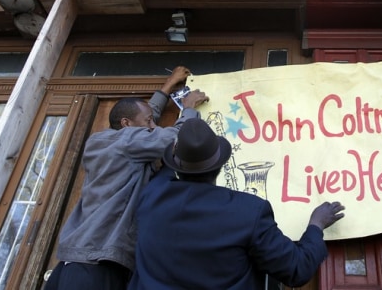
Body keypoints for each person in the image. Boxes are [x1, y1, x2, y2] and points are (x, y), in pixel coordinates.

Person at [128, 117, 346, 289]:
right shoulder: (248, 212)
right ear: (221, 165)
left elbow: (168, 170)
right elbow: (296, 268)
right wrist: (316, 226)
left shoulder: (151, 196)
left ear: (176, 163)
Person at [44, 66, 209, 290]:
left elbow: (143, 116)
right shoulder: (128, 142)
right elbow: (175, 138)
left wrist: (168, 85)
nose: (154, 126)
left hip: (73, 261)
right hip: (97, 265)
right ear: (126, 124)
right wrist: (188, 109)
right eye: (149, 122)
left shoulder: (104, 141)